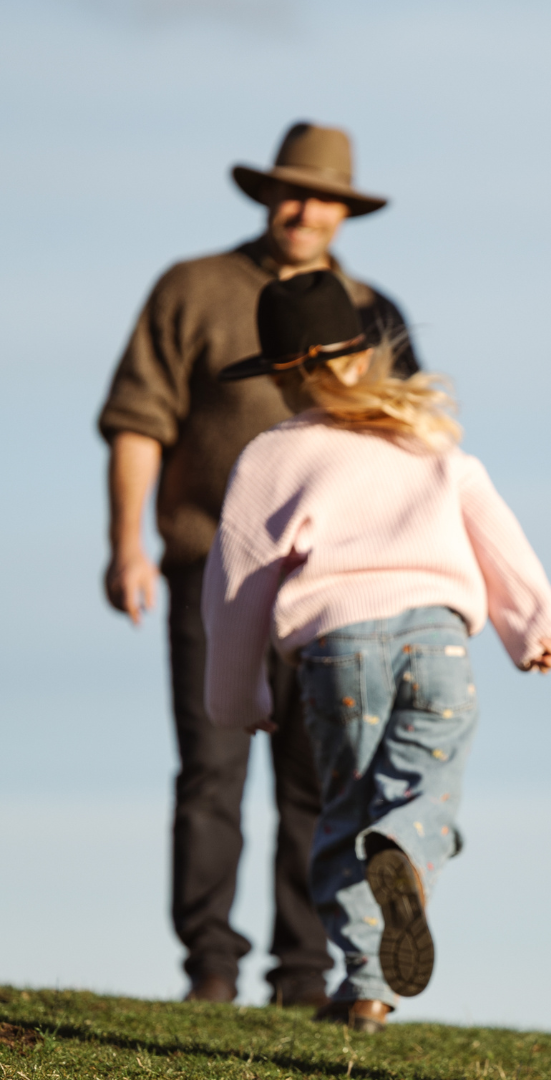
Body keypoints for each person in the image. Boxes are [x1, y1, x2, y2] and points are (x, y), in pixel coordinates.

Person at [201, 270, 551, 1032]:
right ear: (363, 359)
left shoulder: (273, 456)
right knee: (422, 798)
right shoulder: (425, 437)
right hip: (438, 647)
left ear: (283, 374)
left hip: (338, 655)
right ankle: (403, 854)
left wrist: (238, 698)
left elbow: (236, 587)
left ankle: (365, 987)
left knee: (344, 811)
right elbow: (491, 529)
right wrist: (535, 624)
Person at [98, 122, 420, 1005]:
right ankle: (209, 966)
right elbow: (139, 421)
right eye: (291, 190)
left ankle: (304, 972)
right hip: (214, 572)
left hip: (337, 592)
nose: (305, 208)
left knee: (320, 780)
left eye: (323, 195)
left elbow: (412, 453)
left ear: (345, 209)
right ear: (266, 196)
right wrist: (126, 543)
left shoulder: (375, 312)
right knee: (212, 769)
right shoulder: (194, 288)